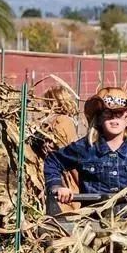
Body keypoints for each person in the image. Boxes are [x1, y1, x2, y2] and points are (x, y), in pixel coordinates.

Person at [44, 87, 127, 215]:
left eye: (119, 113)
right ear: (99, 119)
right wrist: (57, 186)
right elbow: (53, 162)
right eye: (107, 113)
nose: (114, 118)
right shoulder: (85, 148)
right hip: (93, 218)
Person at [42, 84, 81, 213]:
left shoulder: (47, 123)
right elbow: (72, 155)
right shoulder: (63, 122)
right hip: (65, 178)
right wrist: (81, 182)